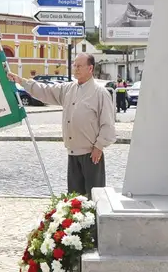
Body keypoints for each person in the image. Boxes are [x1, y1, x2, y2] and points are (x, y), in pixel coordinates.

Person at [7, 53, 116, 195]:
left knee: (94, 196)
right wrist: (21, 81)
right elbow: (44, 91)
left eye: (79, 66)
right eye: (74, 65)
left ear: (90, 68)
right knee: (74, 198)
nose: (76, 69)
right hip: (72, 152)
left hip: (92, 154)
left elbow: (107, 123)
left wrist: (99, 146)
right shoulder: (68, 89)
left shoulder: (100, 93)